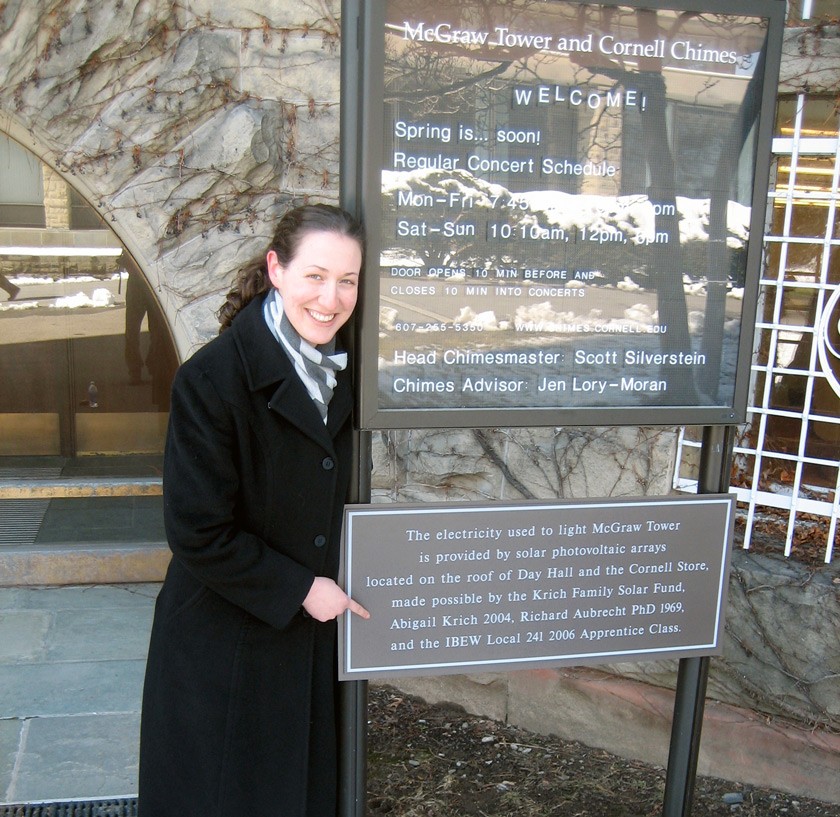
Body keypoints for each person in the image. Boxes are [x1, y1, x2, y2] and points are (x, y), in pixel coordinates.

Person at [138, 203, 370, 817]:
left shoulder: (346, 373)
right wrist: (300, 588)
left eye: (347, 280)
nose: (330, 298)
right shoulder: (211, 380)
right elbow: (197, 531)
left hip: (306, 644)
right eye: (315, 276)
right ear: (276, 268)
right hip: (226, 644)